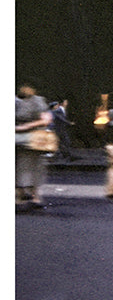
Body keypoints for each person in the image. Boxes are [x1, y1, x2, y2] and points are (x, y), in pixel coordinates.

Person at [15, 82, 53, 210]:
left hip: (33, 140)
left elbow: (46, 119)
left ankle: (34, 196)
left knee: (32, 167)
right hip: (18, 139)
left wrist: (25, 126)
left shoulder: (38, 101)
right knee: (18, 167)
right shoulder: (15, 100)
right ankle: (20, 196)